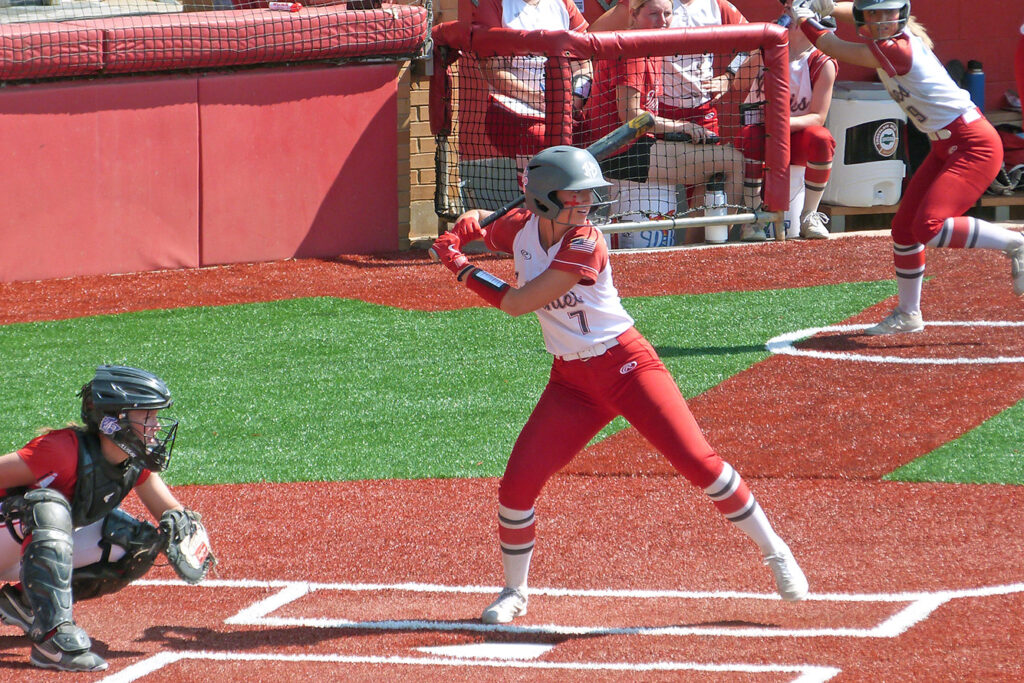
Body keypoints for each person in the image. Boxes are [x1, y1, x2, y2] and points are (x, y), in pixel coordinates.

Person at [430, 145, 809, 624]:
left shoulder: (585, 242)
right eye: (576, 195)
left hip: (627, 367)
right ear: (545, 196)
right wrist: (468, 223)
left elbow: (520, 303)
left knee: (699, 463)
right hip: (571, 382)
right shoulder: (523, 228)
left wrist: (463, 268)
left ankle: (775, 552)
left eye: (590, 195)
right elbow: (486, 220)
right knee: (516, 487)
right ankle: (515, 591)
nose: (586, 203)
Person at [793, 0, 1024, 333]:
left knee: (928, 226)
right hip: (946, 144)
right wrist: (825, 4)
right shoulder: (890, 40)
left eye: (889, 13)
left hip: (973, 144)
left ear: (901, 13)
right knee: (904, 229)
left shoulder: (896, 47)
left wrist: (803, 16)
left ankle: (1016, 243)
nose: (884, 21)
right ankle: (909, 313)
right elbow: (849, 14)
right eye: (875, 14)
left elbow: (830, 45)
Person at [0, 365, 212, 672]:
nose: (155, 426)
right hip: (9, 531)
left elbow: (172, 513)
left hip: (20, 545)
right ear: (115, 420)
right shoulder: (61, 451)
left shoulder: (133, 464)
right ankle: (52, 639)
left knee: (135, 541)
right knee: (48, 508)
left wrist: (182, 530)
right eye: (147, 416)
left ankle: (24, 602)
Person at [580, 0, 745, 242]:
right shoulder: (633, 49)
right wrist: (682, 126)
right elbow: (631, 117)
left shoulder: (652, 45)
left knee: (714, 165)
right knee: (734, 162)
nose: (664, 21)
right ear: (633, 14)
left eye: (668, 14)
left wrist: (729, 76)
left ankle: (697, 251)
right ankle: (711, 253)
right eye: (654, 14)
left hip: (634, 145)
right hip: (621, 151)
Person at [738, 1, 838, 242]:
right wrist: (760, 51)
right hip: (760, 132)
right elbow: (738, 84)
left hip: (795, 134)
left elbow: (819, 117)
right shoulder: (766, 48)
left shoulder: (821, 62)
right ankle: (754, 217)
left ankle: (809, 215)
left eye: (796, 11)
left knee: (823, 139)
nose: (789, 15)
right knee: (750, 136)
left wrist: (782, 126)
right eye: (786, 10)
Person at [473, 0, 591, 187]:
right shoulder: (494, 4)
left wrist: (575, 99)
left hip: (562, 104)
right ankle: (533, 208)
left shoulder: (563, 3)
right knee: (539, 137)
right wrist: (537, 98)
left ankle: (571, 208)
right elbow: (492, 69)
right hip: (512, 106)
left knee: (586, 135)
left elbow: (584, 64)